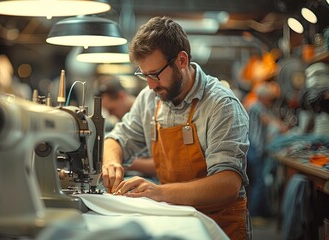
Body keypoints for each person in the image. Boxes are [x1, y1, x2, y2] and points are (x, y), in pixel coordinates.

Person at [101, 16, 250, 240]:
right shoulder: (150, 99)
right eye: (144, 75)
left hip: (219, 226)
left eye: (155, 74)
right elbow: (116, 139)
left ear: (181, 60)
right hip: (175, 221)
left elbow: (227, 183)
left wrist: (159, 192)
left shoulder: (221, 105)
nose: (150, 85)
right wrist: (111, 162)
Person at [96, 76, 156, 178]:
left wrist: (122, 161)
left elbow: (163, 165)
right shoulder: (123, 120)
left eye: (112, 110)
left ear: (121, 96)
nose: (111, 115)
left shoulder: (151, 112)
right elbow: (117, 139)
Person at [246, 80, 288, 225]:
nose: (271, 100)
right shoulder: (257, 107)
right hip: (254, 149)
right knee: (260, 181)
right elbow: (268, 120)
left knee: (260, 181)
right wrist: (283, 127)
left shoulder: (259, 106)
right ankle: (255, 214)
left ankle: (264, 211)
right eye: (269, 97)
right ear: (263, 97)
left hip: (255, 148)